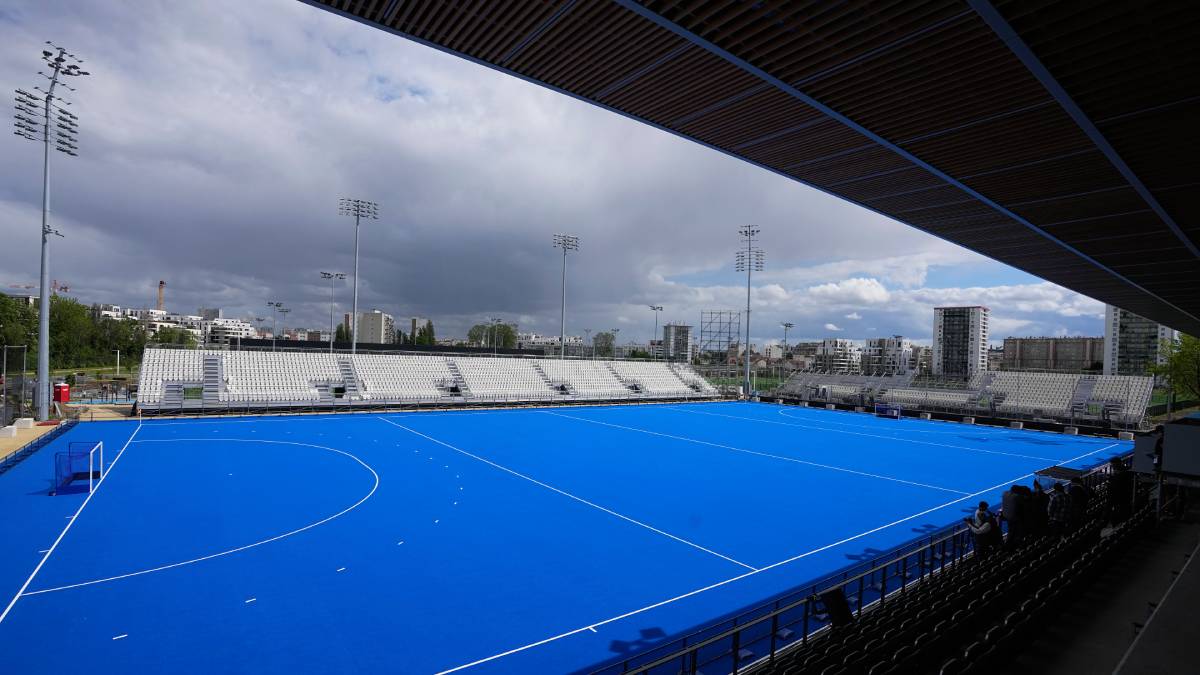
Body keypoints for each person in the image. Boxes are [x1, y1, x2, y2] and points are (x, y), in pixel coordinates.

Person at [1108, 457, 1134, 523]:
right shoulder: (1127, 471)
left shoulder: (1121, 475)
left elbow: (1115, 487)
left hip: (1121, 498)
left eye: (1113, 465)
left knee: (1120, 513)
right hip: (1124, 497)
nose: (1112, 466)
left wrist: (1112, 480)